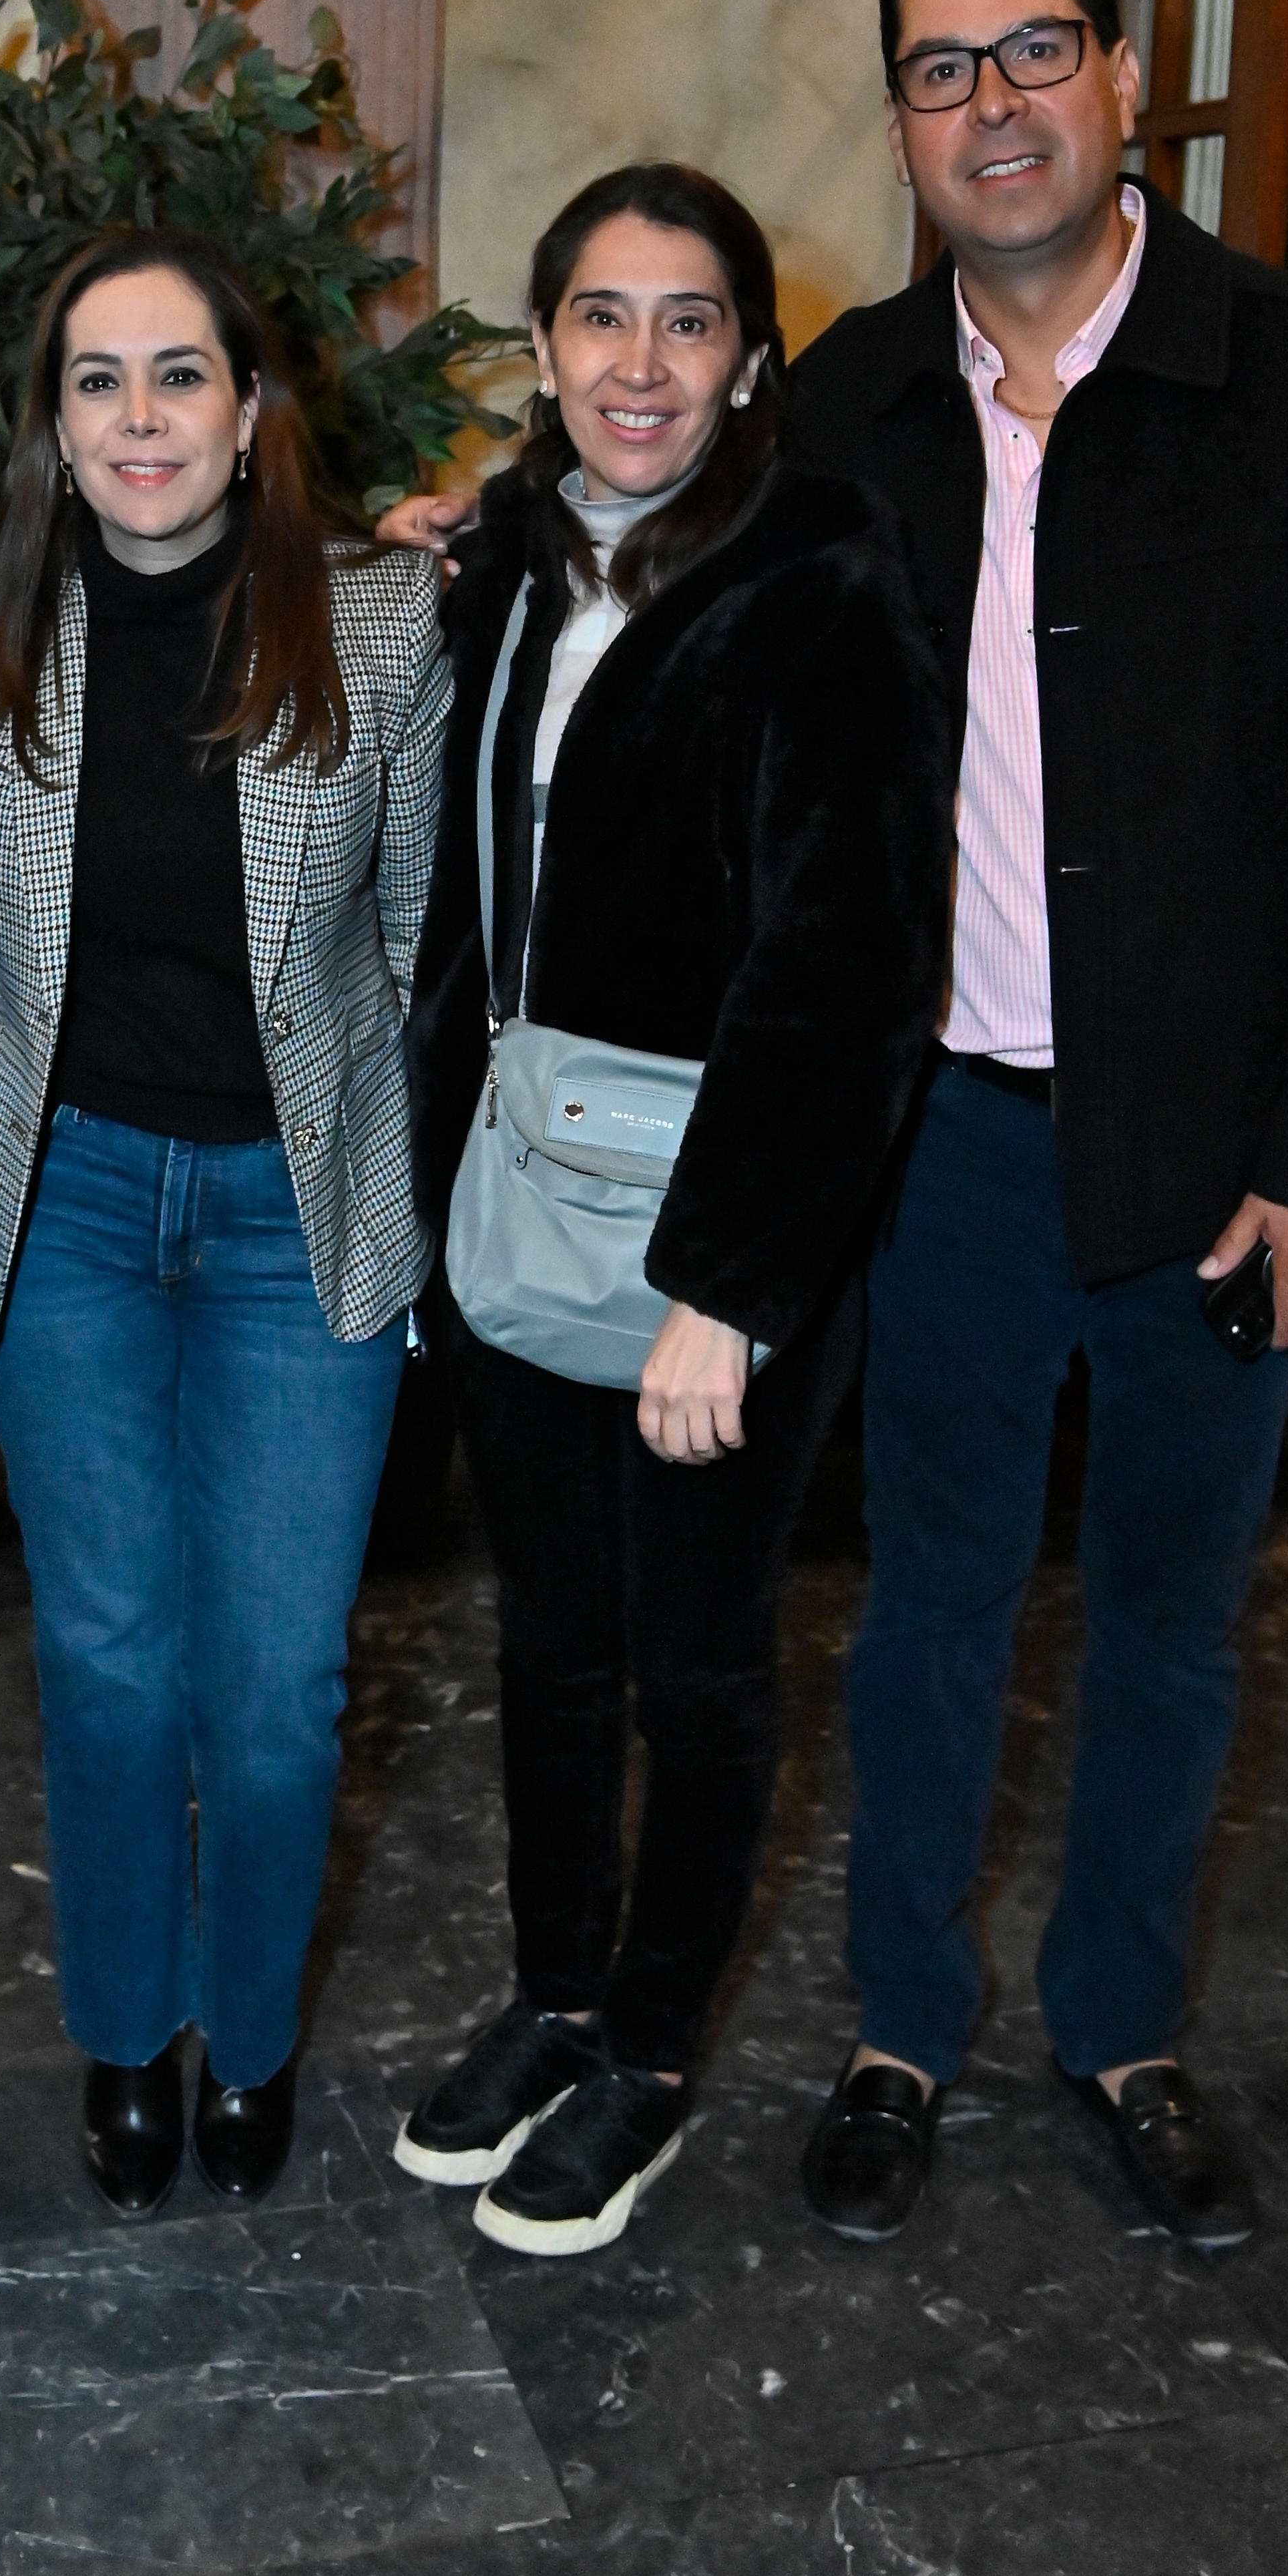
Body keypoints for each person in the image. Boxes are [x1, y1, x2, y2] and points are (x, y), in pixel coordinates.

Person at [783, 0, 1288, 2253]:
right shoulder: (848, 401)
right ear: (898, 123)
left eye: (1033, 50)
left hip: (1222, 1164)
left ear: (1126, 76)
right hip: (943, 1150)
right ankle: (899, 2022)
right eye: (939, 69)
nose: (992, 105)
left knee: (1172, 1620)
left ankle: (1120, 2026)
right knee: (928, 1613)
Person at [391, 166, 952, 2257]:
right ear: (542, 350)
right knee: (550, 1644)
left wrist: (732, 1287)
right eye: (601, 320)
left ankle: (647, 2050)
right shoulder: (509, 564)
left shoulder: (823, 577)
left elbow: (852, 960)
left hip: (718, 1232)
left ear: (750, 359)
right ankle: (553, 1995)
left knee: (697, 1670)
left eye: (689, 321)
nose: (642, 365)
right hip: (515, 1199)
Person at [0, 230, 448, 2216]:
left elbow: (420, 931)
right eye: (95, 379)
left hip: (295, 1218)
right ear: (53, 425)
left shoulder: (377, 619)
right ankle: (130, 2035)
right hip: (61, 1208)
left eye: (177, 375)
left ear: (249, 409)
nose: (138, 418)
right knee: (113, 1663)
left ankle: (257, 2028)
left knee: (280, 1694)